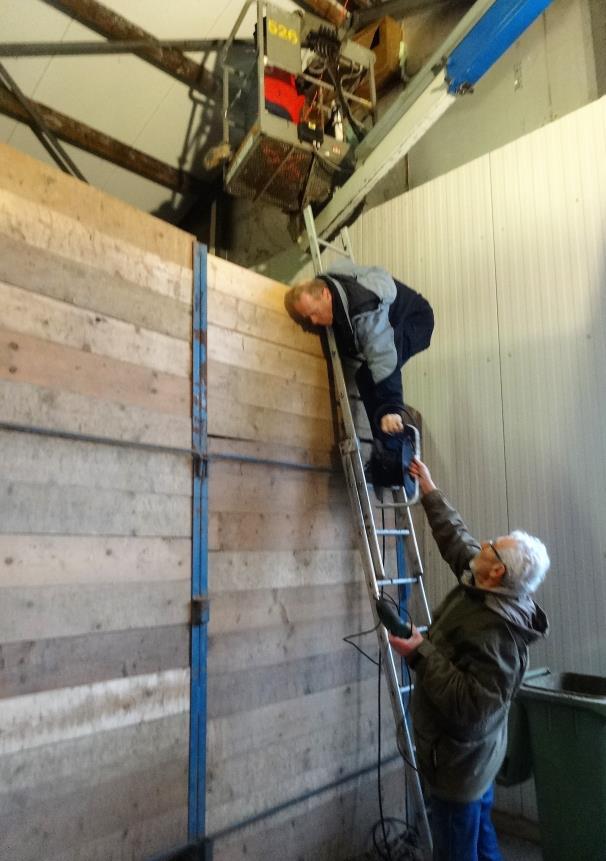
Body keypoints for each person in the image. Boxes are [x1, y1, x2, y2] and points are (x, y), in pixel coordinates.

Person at [389, 457, 550, 861]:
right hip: (475, 761)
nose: (485, 543)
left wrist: (420, 653)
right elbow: (458, 541)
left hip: (459, 765)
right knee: (480, 838)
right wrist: (429, 491)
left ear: (496, 571)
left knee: (456, 849)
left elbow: (470, 705)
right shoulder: (490, 584)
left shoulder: (500, 634)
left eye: (493, 546)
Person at [285, 262, 434, 484]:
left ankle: (394, 452)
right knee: (364, 377)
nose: (314, 321)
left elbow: (384, 358)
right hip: (389, 319)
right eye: (309, 318)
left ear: (326, 295)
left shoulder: (365, 311)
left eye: (314, 314)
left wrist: (391, 408)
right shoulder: (329, 284)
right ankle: (385, 449)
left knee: (373, 379)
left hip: (416, 321)